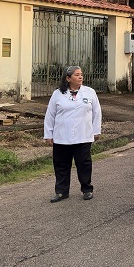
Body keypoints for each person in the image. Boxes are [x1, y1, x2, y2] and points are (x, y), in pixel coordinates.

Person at [44, 66, 102, 203]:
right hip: (61, 136)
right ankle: (61, 191)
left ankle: (87, 189)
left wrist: (96, 130)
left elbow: (97, 112)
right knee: (61, 164)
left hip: (83, 135)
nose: (80, 77)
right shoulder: (57, 94)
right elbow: (50, 115)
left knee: (84, 163)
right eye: (77, 75)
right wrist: (48, 134)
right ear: (68, 78)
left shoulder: (90, 92)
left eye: (81, 74)